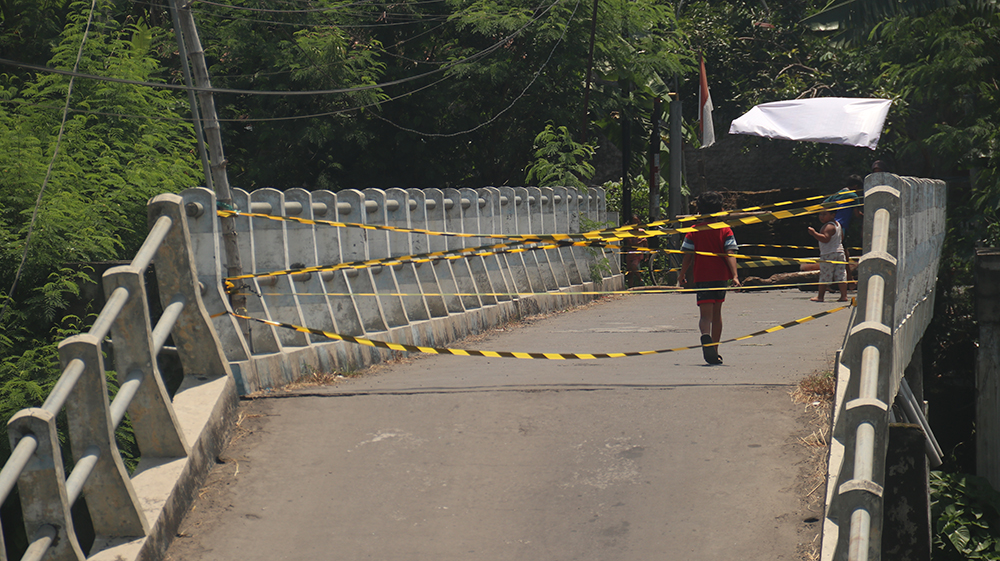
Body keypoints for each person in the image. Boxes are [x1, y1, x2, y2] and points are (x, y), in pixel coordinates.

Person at [678, 192, 740, 365]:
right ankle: (715, 349)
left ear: (699, 211)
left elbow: (687, 256)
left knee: (705, 316)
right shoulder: (725, 229)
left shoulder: (693, 231)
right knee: (717, 315)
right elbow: (730, 253)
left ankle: (705, 335)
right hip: (720, 276)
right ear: (720, 210)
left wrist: (682, 274)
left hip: (702, 276)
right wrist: (735, 275)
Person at [807, 210, 849, 302]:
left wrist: (814, 233)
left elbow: (825, 239)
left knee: (825, 275)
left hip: (828, 254)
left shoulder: (828, 226)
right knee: (841, 275)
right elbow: (841, 237)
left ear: (832, 215)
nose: (821, 216)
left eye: (824, 214)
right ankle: (844, 296)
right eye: (820, 214)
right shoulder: (838, 225)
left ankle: (820, 296)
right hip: (840, 252)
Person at [623, 214, 649, 288]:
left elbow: (646, 244)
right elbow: (631, 244)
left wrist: (647, 255)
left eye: (637, 222)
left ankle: (640, 279)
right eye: (634, 222)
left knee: (633, 266)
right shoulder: (628, 233)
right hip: (630, 254)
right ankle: (630, 288)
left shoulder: (642, 231)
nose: (636, 224)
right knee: (630, 273)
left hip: (638, 254)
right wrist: (641, 242)